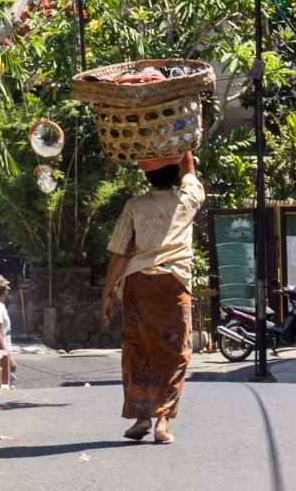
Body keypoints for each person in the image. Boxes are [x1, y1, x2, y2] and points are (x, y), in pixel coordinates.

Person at [100, 151, 204, 445]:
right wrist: (184, 147)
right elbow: (190, 170)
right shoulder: (189, 199)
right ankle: (162, 422)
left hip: (139, 283)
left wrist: (106, 294)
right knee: (175, 352)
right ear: (175, 175)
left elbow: (120, 252)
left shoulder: (134, 206)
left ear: (146, 176)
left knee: (138, 349)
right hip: (175, 284)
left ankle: (142, 417)